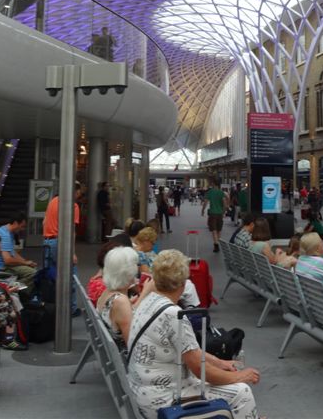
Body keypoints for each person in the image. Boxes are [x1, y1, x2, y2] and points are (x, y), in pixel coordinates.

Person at [127, 249, 261, 418]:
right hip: (163, 400)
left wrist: (220, 362)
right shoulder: (175, 316)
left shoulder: (148, 302)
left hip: (143, 391)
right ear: (183, 284)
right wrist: (240, 376)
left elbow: (192, 353)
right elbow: (200, 369)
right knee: (242, 392)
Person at [97, 247, 155, 352]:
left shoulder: (108, 293)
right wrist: (145, 293)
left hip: (113, 352)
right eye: (135, 265)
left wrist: (134, 303)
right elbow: (133, 343)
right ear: (128, 272)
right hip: (126, 358)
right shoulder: (120, 301)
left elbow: (120, 318)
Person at [0, 216, 37, 294]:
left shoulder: (6, 231)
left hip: (4, 264)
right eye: (22, 226)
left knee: (31, 267)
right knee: (32, 273)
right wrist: (25, 263)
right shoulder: (5, 236)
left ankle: (19, 291)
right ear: (16, 223)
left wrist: (26, 262)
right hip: (1, 266)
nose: (22, 229)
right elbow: (8, 260)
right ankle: (15, 291)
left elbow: (12, 252)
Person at [43, 191, 81, 268]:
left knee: (49, 273)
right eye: (78, 193)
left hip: (47, 241)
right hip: (60, 242)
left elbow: (44, 222)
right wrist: (72, 253)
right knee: (70, 271)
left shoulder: (52, 201)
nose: (79, 196)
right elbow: (72, 231)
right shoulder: (73, 206)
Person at [202, 178, 229, 253]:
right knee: (219, 229)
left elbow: (205, 202)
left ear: (213, 183)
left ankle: (216, 243)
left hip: (212, 213)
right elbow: (224, 203)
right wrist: (223, 212)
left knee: (213, 229)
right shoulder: (221, 192)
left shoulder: (210, 192)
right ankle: (217, 242)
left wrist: (203, 210)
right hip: (219, 213)